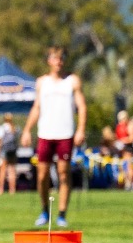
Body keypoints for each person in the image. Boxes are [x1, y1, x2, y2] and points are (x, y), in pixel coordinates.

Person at [20, 45, 87, 228]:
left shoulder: (72, 81)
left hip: (65, 133)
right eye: (56, 58)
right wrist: (27, 129)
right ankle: (44, 210)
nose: (59, 61)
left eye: (62, 58)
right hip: (45, 133)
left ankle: (62, 213)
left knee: (63, 173)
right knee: (42, 175)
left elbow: (81, 106)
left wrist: (80, 129)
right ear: (49, 61)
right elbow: (36, 107)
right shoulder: (42, 82)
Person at [0, 117, 18, 194]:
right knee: (12, 170)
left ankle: (0, 189)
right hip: (12, 151)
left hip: (4, 150)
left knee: (2, 171)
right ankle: (12, 190)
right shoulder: (14, 128)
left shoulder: (1, 128)